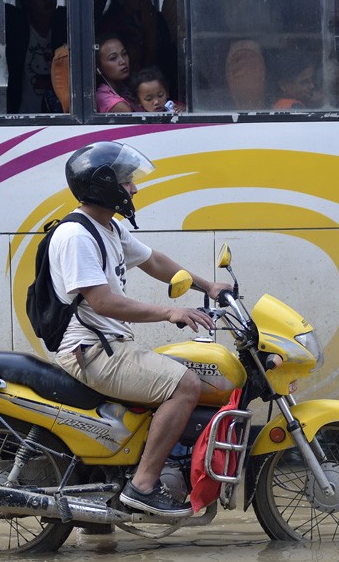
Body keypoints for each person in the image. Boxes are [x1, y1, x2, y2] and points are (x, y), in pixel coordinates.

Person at [49, 141, 231, 517]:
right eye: (127, 181)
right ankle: (144, 485)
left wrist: (209, 286)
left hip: (109, 346)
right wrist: (169, 312)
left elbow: (156, 262)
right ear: (103, 185)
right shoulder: (76, 236)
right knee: (185, 385)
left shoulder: (108, 229)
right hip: (91, 352)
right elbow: (103, 302)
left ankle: (111, 498)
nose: (133, 189)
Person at [6, 0, 68, 114]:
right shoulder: (18, 29)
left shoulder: (63, 26)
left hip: (60, 115)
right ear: (28, 1)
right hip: (24, 114)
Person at [94, 34, 141, 113]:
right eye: (113, 58)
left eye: (124, 54)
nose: (123, 61)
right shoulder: (103, 98)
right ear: (99, 68)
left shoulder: (126, 90)